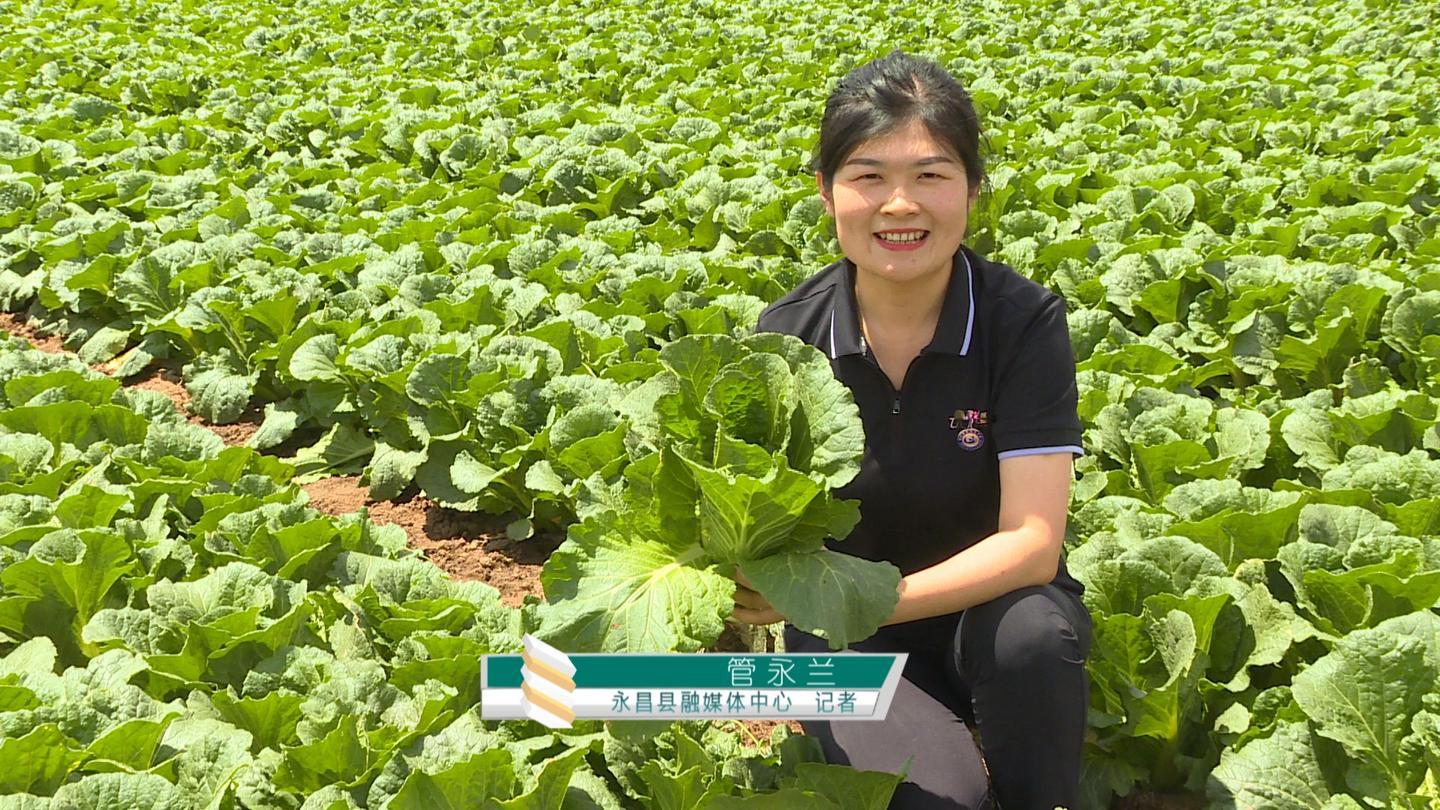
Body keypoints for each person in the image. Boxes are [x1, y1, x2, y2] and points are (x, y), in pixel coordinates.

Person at [739, 51, 1092, 810]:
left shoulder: (1022, 323)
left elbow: (1033, 542)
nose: (900, 205)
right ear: (826, 192)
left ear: (972, 189)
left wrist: (860, 598)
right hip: (846, 640)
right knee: (936, 802)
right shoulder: (786, 337)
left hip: (990, 613)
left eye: (930, 175)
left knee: (1034, 638)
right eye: (868, 176)